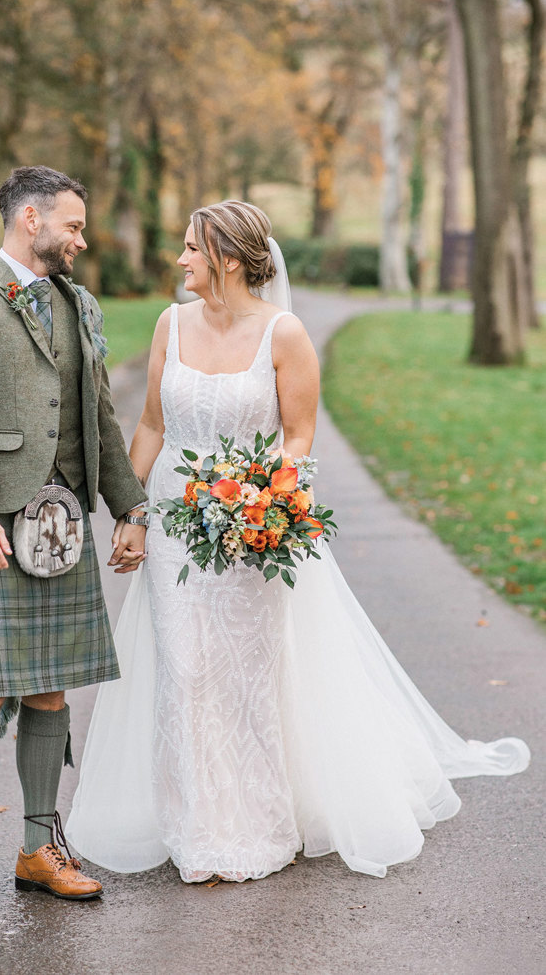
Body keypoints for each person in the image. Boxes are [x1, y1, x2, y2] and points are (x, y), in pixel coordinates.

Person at [66, 199, 530, 883]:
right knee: (185, 669)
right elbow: (153, 428)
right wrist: (132, 511)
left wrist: (267, 501)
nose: (180, 260)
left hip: (252, 530)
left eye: (192, 249)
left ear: (226, 258)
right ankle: (197, 824)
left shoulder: (284, 335)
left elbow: (300, 436)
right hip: (173, 524)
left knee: (248, 677)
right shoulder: (170, 324)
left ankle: (258, 818)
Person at [0, 165, 148, 900]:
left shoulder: (77, 303)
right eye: (73, 226)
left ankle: (37, 846)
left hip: (60, 527)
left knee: (50, 690)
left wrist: (129, 507)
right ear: (31, 219)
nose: (82, 239)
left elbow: (100, 419)